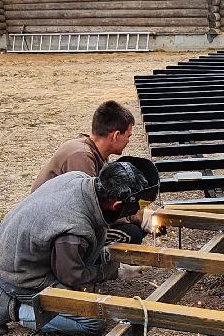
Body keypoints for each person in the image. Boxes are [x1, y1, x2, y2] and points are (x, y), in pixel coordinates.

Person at [0, 160, 155, 336]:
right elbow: (72, 275)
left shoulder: (79, 179)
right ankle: (13, 307)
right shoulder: (75, 229)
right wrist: (114, 272)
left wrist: (107, 259)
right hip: (24, 272)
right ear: (116, 206)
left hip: (21, 249)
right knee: (92, 322)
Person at [32, 100, 147, 242]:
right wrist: (134, 217)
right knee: (132, 233)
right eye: (128, 136)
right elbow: (92, 208)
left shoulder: (95, 153)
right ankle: (97, 264)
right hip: (50, 229)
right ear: (116, 135)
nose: (129, 141)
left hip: (66, 221)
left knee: (135, 227)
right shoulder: (81, 157)